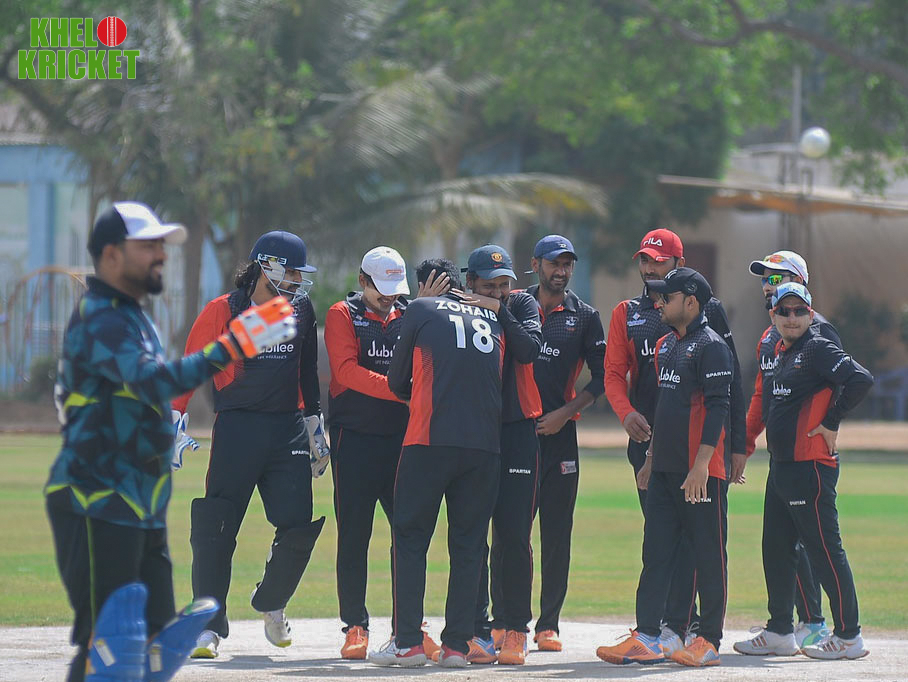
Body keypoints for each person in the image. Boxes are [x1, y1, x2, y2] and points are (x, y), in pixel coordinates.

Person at [46, 202, 296, 682]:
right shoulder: (102, 319)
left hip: (137, 502)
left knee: (156, 651)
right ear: (111, 255)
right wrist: (234, 345)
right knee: (110, 649)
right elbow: (150, 382)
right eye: (148, 246)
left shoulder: (133, 317)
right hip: (96, 500)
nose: (161, 254)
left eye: (162, 245)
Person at [172, 230, 329, 659]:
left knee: (298, 525)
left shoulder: (300, 308)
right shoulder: (224, 309)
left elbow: (307, 372)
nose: (297, 280)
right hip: (237, 428)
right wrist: (174, 416)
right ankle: (208, 628)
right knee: (216, 527)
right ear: (267, 267)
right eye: (291, 272)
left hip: (286, 428)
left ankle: (272, 603)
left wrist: (315, 424)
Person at [604, 228, 745, 649]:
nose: (651, 271)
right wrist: (646, 452)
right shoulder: (661, 340)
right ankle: (656, 633)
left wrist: (722, 454)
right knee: (658, 548)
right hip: (660, 455)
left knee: (703, 550)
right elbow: (654, 400)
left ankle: (704, 636)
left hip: (700, 460)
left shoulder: (710, 333)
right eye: (645, 260)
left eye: (659, 263)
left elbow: (723, 397)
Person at [371, 259, 505, 668]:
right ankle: (457, 647)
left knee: (410, 539)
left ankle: (408, 643)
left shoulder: (420, 309)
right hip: (484, 446)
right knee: (469, 546)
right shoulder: (492, 316)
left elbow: (396, 381)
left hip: (429, 439)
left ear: (427, 283)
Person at [737, 282, 873, 660]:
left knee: (825, 551)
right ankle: (780, 630)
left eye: (799, 311)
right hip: (781, 466)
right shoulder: (780, 350)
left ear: (810, 315)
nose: (792, 317)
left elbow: (860, 379)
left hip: (810, 467)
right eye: (785, 311)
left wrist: (831, 422)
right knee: (776, 550)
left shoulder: (817, 347)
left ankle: (849, 636)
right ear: (773, 315)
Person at [734, 250, 841, 655]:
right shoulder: (769, 338)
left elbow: (847, 382)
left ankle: (816, 624)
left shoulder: (819, 332)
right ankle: (787, 627)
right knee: (780, 543)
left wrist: (831, 423)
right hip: (781, 458)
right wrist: (744, 445)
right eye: (765, 278)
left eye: (777, 277)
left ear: (800, 282)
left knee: (810, 543)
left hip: (809, 458)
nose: (768, 284)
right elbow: (761, 399)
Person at [323, 246, 414, 659]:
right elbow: (345, 372)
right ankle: (355, 626)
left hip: (401, 440)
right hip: (353, 440)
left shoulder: (409, 314)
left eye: (395, 289)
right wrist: (400, 391)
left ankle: (408, 628)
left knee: (408, 534)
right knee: (354, 536)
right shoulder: (342, 314)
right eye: (381, 289)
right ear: (363, 281)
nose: (389, 297)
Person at [523, 235, 606, 652]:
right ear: (536, 264)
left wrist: (565, 413)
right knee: (512, 533)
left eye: (568, 264)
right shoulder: (515, 305)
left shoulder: (585, 316)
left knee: (557, 535)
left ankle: (548, 625)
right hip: (516, 436)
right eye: (554, 263)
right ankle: (509, 621)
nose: (561, 271)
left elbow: (603, 377)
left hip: (560, 438)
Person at [464, 245, 543, 665]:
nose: (498, 292)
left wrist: (497, 309)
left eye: (503, 285)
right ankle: (476, 629)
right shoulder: (457, 309)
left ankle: (515, 629)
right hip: (473, 430)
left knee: (513, 536)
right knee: (472, 534)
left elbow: (529, 349)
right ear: (470, 282)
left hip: (517, 430)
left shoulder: (522, 304)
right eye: (489, 286)